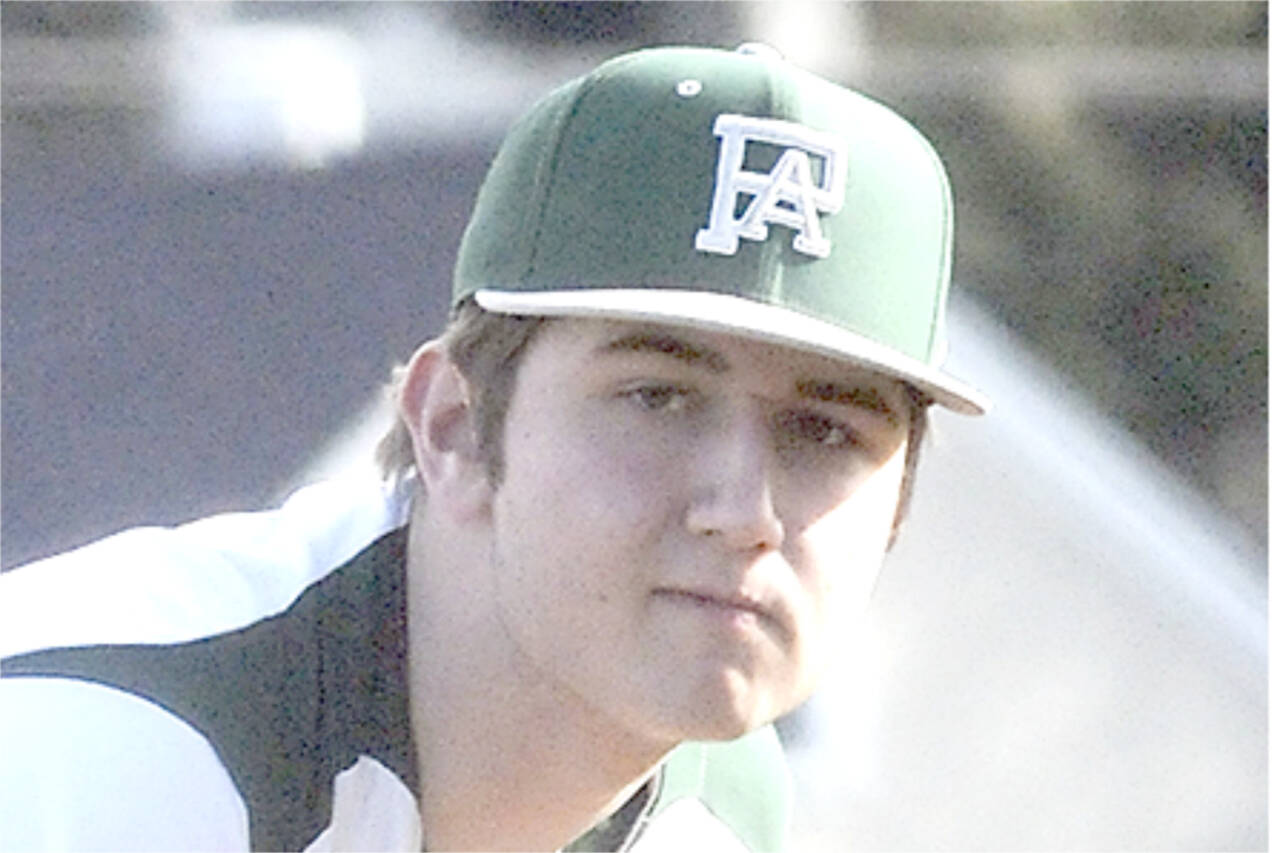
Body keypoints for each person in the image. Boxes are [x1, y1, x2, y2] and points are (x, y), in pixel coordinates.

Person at [0, 43, 986, 851]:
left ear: (896, 504)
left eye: (823, 430)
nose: (744, 509)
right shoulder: (105, 750)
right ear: (455, 429)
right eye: (658, 395)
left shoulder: (716, 811)